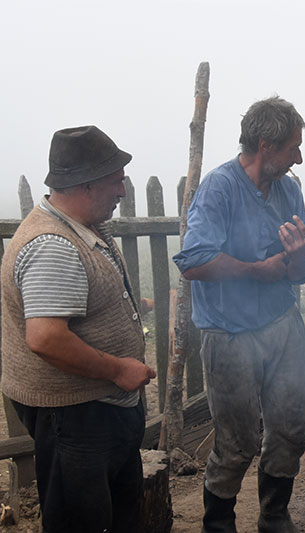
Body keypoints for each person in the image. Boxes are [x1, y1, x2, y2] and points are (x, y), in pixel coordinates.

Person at [0, 125, 157, 532]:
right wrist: (119, 370)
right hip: (75, 416)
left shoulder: (81, 228)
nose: (122, 190)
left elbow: (76, 299)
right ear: (86, 185)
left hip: (97, 412)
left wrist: (129, 308)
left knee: (117, 512)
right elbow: (47, 337)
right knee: (81, 522)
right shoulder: (53, 245)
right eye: (115, 180)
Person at [173, 96, 305, 533]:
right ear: (264, 145)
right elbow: (193, 260)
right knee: (237, 444)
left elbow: (301, 271)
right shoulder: (219, 188)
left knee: (291, 429)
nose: (299, 157)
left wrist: (300, 259)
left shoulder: (288, 190)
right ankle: (218, 525)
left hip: (281, 326)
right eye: (293, 147)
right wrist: (257, 271)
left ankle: (274, 517)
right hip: (228, 334)